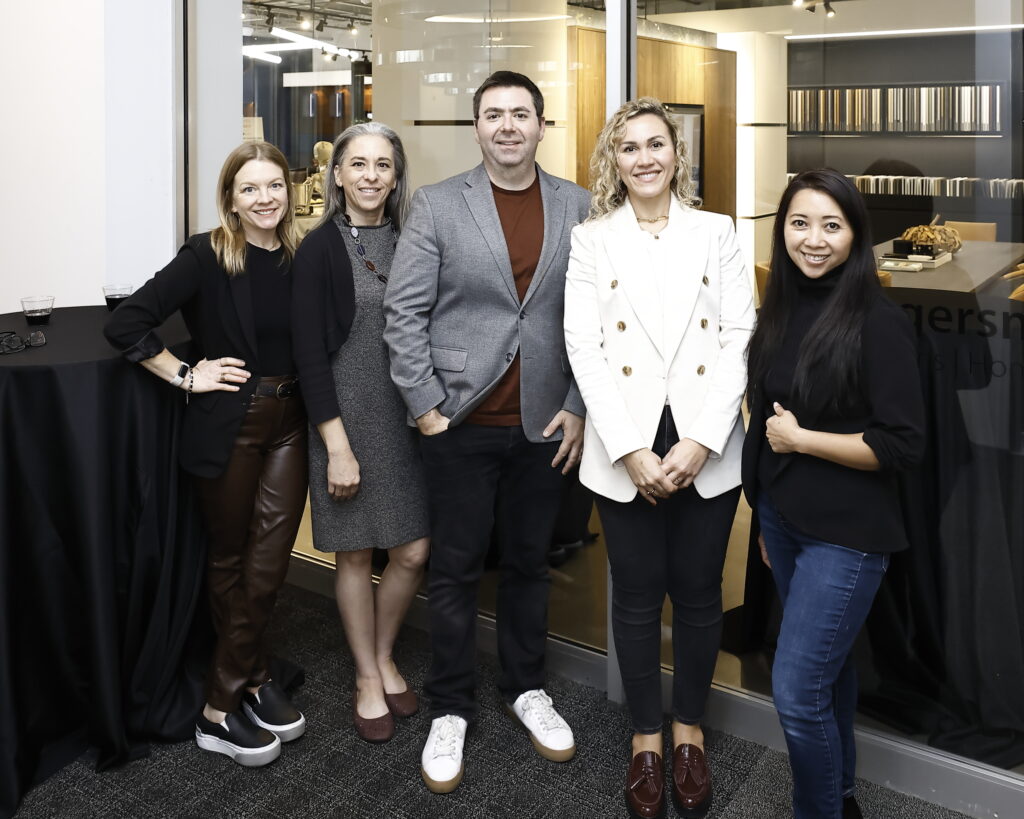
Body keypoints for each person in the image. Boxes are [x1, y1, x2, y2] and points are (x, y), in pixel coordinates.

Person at [382, 70, 591, 793]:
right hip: (460, 421)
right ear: (477, 127)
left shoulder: (579, 205)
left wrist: (577, 403)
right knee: (455, 569)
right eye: (493, 114)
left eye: (521, 114)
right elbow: (402, 316)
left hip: (545, 425)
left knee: (531, 565)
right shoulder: (439, 205)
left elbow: (587, 322)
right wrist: (427, 406)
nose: (507, 126)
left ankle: (526, 687)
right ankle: (450, 705)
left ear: (542, 126)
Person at [564, 97, 754, 819]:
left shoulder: (717, 231)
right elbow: (584, 346)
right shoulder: (592, 240)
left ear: (677, 154)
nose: (644, 158)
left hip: (706, 440)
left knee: (700, 593)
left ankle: (688, 731)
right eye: (629, 147)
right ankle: (647, 736)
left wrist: (704, 439)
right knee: (637, 596)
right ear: (613, 161)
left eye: (656, 144)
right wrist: (629, 448)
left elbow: (741, 334)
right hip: (628, 447)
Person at [104, 141, 308, 767]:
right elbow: (127, 324)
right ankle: (230, 702)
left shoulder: (303, 252)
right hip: (230, 423)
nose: (265, 198)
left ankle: (233, 685)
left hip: (291, 422)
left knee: (269, 561)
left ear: (290, 190)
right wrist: (186, 374)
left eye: (274, 185)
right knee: (229, 559)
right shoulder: (206, 253)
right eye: (250, 188)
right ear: (230, 199)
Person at [742, 168, 926, 819]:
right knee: (829, 670)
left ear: (855, 234)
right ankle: (841, 792)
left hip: (846, 535)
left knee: (795, 691)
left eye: (831, 224)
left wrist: (803, 441)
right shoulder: (782, 308)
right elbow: (764, 418)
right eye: (799, 223)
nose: (813, 239)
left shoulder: (878, 320)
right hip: (786, 520)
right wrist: (765, 516)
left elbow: (902, 445)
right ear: (781, 229)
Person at [291, 122, 429, 744]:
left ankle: (382, 651)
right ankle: (368, 674)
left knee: (410, 550)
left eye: (384, 165)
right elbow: (309, 359)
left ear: (396, 176)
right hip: (344, 417)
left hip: (407, 418)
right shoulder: (318, 249)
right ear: (338, 174)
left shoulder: (413, 237)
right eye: (359, 164)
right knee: (353, 551)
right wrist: (337, 446)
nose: (372, 175)